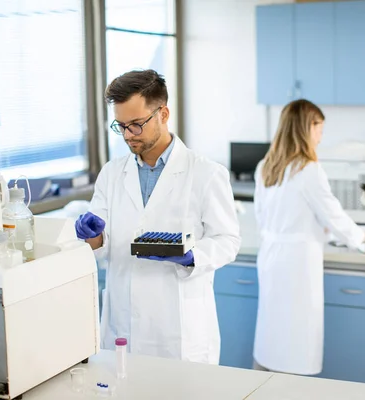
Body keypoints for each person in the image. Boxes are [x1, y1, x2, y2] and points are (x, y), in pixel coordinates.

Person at [75, 69, 241, 364]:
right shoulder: (113, 174)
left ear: (163, 114)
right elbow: (100, 242)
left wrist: (192, 256)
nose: (128, 135)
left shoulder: (205, 173)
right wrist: (91, 236)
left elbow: (227, 240)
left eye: (136, 125)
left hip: (177, 330)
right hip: (122, 326)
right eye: (121, 126)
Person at [252, 99, 365, 375]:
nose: (321, 135)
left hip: (271, 257)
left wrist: (313, 228)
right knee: (298, 339)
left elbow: (264, 216)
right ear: (305, 128)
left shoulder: (266, 165)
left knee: (273, 332)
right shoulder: (308, 169)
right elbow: (333, 214)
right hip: (297, 265)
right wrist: (364, 236)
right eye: (319, 127)